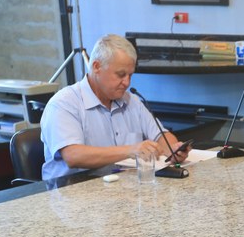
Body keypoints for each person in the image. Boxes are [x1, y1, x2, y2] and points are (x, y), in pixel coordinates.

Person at [41, 34, 189, 180]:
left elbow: (161, 136)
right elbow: (73, 156)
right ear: (97, 67)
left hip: (120, 185)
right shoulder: (64, 103)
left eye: (130, 75)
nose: (127, 83)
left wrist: (173, 149)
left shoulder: (131, 101)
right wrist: (131, 150)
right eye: (121, 75)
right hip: (71, 188)